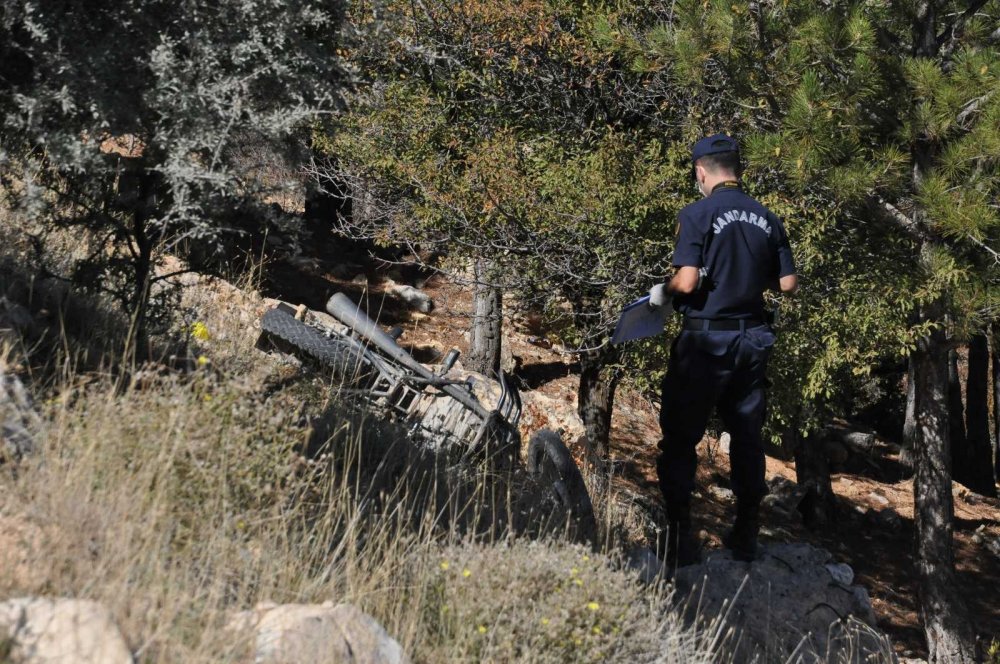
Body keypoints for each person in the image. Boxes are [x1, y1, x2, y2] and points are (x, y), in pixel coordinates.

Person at [649, 133, 797, 566]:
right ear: (737, 169)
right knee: (747, 438)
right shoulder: (768, 218)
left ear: (701, 172)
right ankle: (746, 534)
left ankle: (680, 539)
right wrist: (748, 278)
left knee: (681, 439)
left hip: (706, 342)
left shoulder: (697, 214)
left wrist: (663, 292)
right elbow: (788, 283)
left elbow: (687, 281)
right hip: (752, 341)